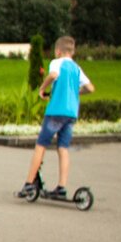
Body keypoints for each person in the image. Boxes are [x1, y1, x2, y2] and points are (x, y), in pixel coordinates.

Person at [19, 35, 95, 200]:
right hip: (71, 113)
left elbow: (53, 75)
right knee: (63, 148)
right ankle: (61, 186)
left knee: (41, 145)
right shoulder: (76, 68)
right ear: (72, 52)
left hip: (56, 111)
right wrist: (76, 92)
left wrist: (42, 88)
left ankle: (29, 183)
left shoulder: (57, 62)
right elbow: (90, 88)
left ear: (58, 51)